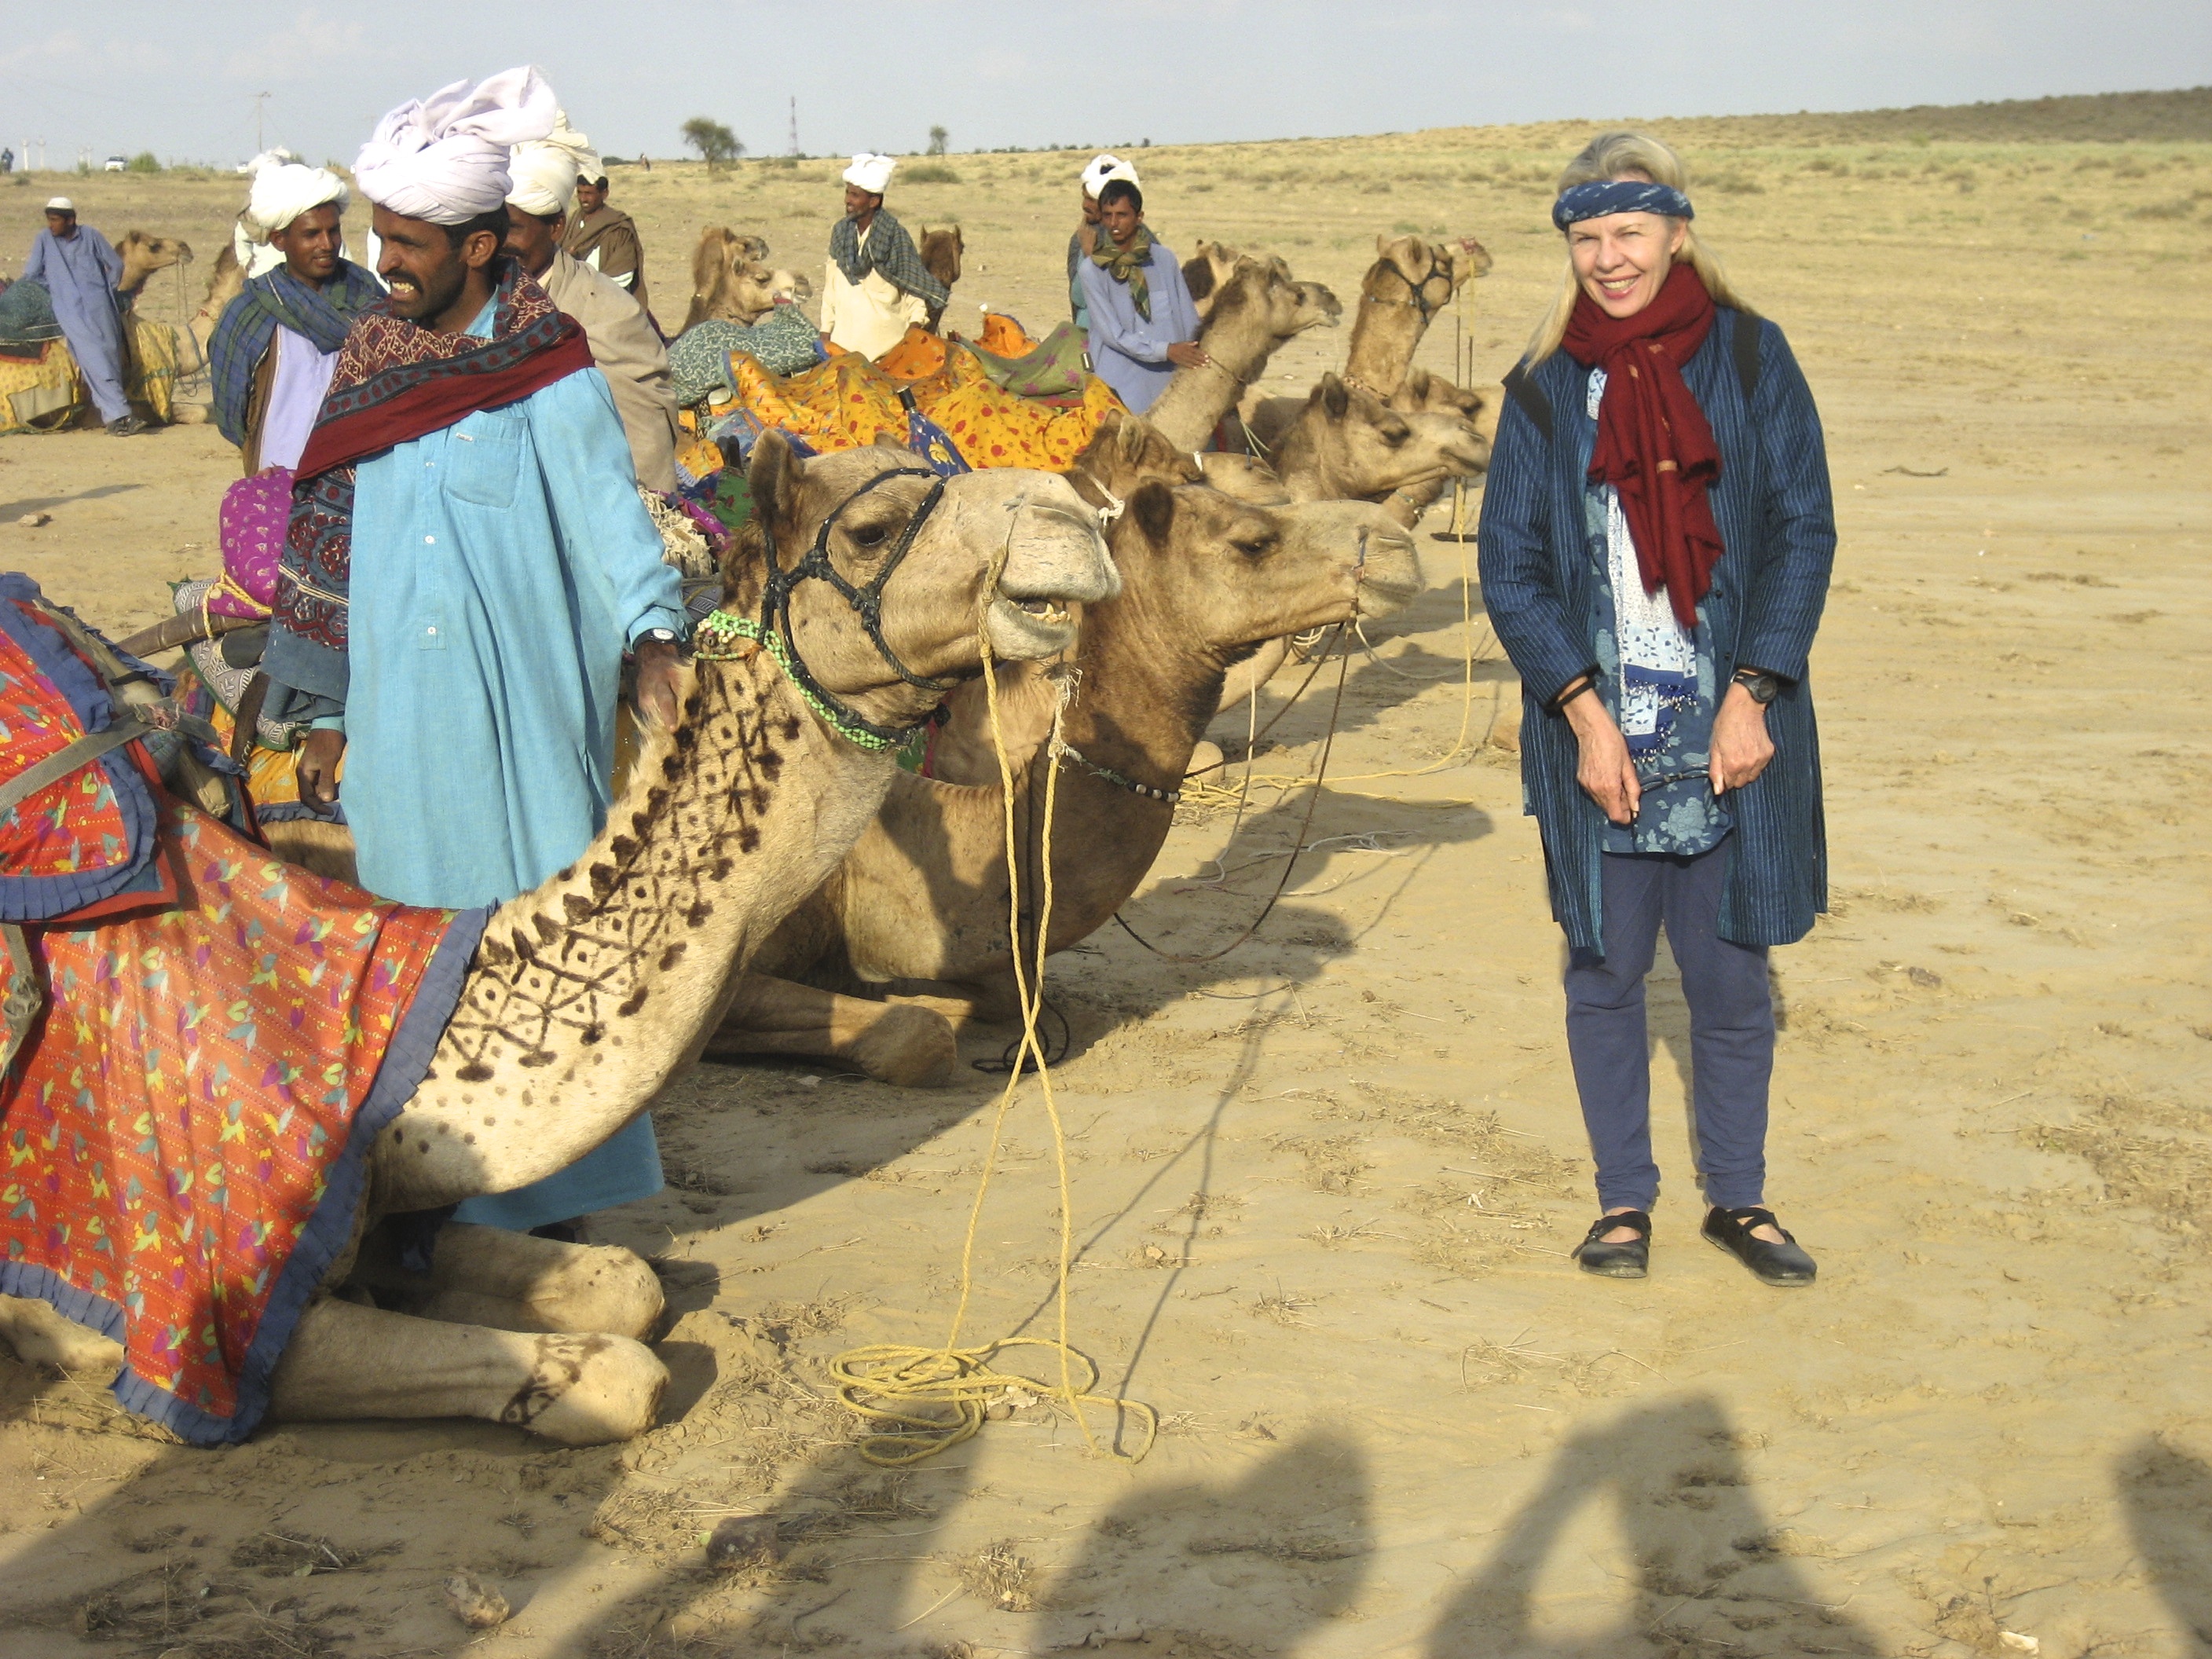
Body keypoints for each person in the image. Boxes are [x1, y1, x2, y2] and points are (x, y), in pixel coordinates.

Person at [262, 68, 687, 1238]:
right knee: (411, 966)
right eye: (382, 237)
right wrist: (324, 714)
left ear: (482, 244)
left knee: (541, 956)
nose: (386, 261)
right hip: (400, 735)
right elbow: (328, 538)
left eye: (410, 243)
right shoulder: (370, 360)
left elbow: (608, 518)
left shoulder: (547, 361)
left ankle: (557, 1209)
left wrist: (653, 635)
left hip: (525, 734)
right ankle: (425, 1206)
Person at [1477, 132, 1836, 1288]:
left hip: (1728, 724)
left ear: (1678, 233)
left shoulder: (1751, 356)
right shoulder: (1544, 388)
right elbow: (1509, 566)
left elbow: (1801, 531)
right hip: (1600, 734)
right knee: (1605, 973)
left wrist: (1756, 691)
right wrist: (1582, 718)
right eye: (1586, 237)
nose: (1608, 258)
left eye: (1629, 231)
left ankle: (1740, 1198)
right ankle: (1622, 1202)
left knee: (1729, 982)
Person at [503, 118, 680, 491]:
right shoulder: (483, 298)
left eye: (513, 229)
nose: (500, 243)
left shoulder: (607, 310)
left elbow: (644, 424)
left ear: (555, 228)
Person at [207, 163, 383, 473]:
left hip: (359, 473)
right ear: (279, 240)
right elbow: (232, 410)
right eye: (311, 234)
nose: (327, 244)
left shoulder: (370, 299)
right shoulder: (250, 312)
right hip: (277, 473)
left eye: (333, 231)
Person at [1075, 178, 1205, 416]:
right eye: (1108, 215)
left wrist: (1197, 357)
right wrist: (1167, 351)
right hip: (1117, 390)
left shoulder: (1164, 260)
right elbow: (1114, 336)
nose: (1114, 223)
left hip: (1167, 386)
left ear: (1139, 217)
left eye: (1122, 215)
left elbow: (1188, 320)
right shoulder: (1092, 271)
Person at [23, 198, 139, 435]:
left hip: (101, 307)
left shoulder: (91, 235)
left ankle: (115, 419)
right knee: (95, 360)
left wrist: (105, 289)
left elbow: (115, 265)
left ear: (70, 220)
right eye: (49, 220)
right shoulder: (44, 239)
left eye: (55, 220)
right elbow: (32, 274)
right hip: (71, 311)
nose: (51, 225)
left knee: (110, 357)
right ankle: (121, 414)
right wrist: (58, 288)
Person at [818, 153, 947, 361]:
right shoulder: (841, 233)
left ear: (873, 201)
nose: (847, 200)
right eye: (847, 193)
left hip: (887, 353)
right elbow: (831, 288)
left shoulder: (895, 237)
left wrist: (913, 330)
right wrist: (825, 332)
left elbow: (913, 289)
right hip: (842, 350)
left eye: (855, 195)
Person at [1068, 152, 1138, 333]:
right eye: (1084, 197)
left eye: (1091, 199)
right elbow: (1079, 302)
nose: (1084, 205)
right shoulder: (1084, 235)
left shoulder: (1137, 241)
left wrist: (1090, 256)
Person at [562, 169, 648, 314]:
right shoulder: (574, 221)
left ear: (604, 194)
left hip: (605, 304)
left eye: (589, 193)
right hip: (570, 301)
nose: (583, 199)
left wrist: (588, 288)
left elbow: (623, 275)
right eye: (580, 193)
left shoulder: (618, 228)